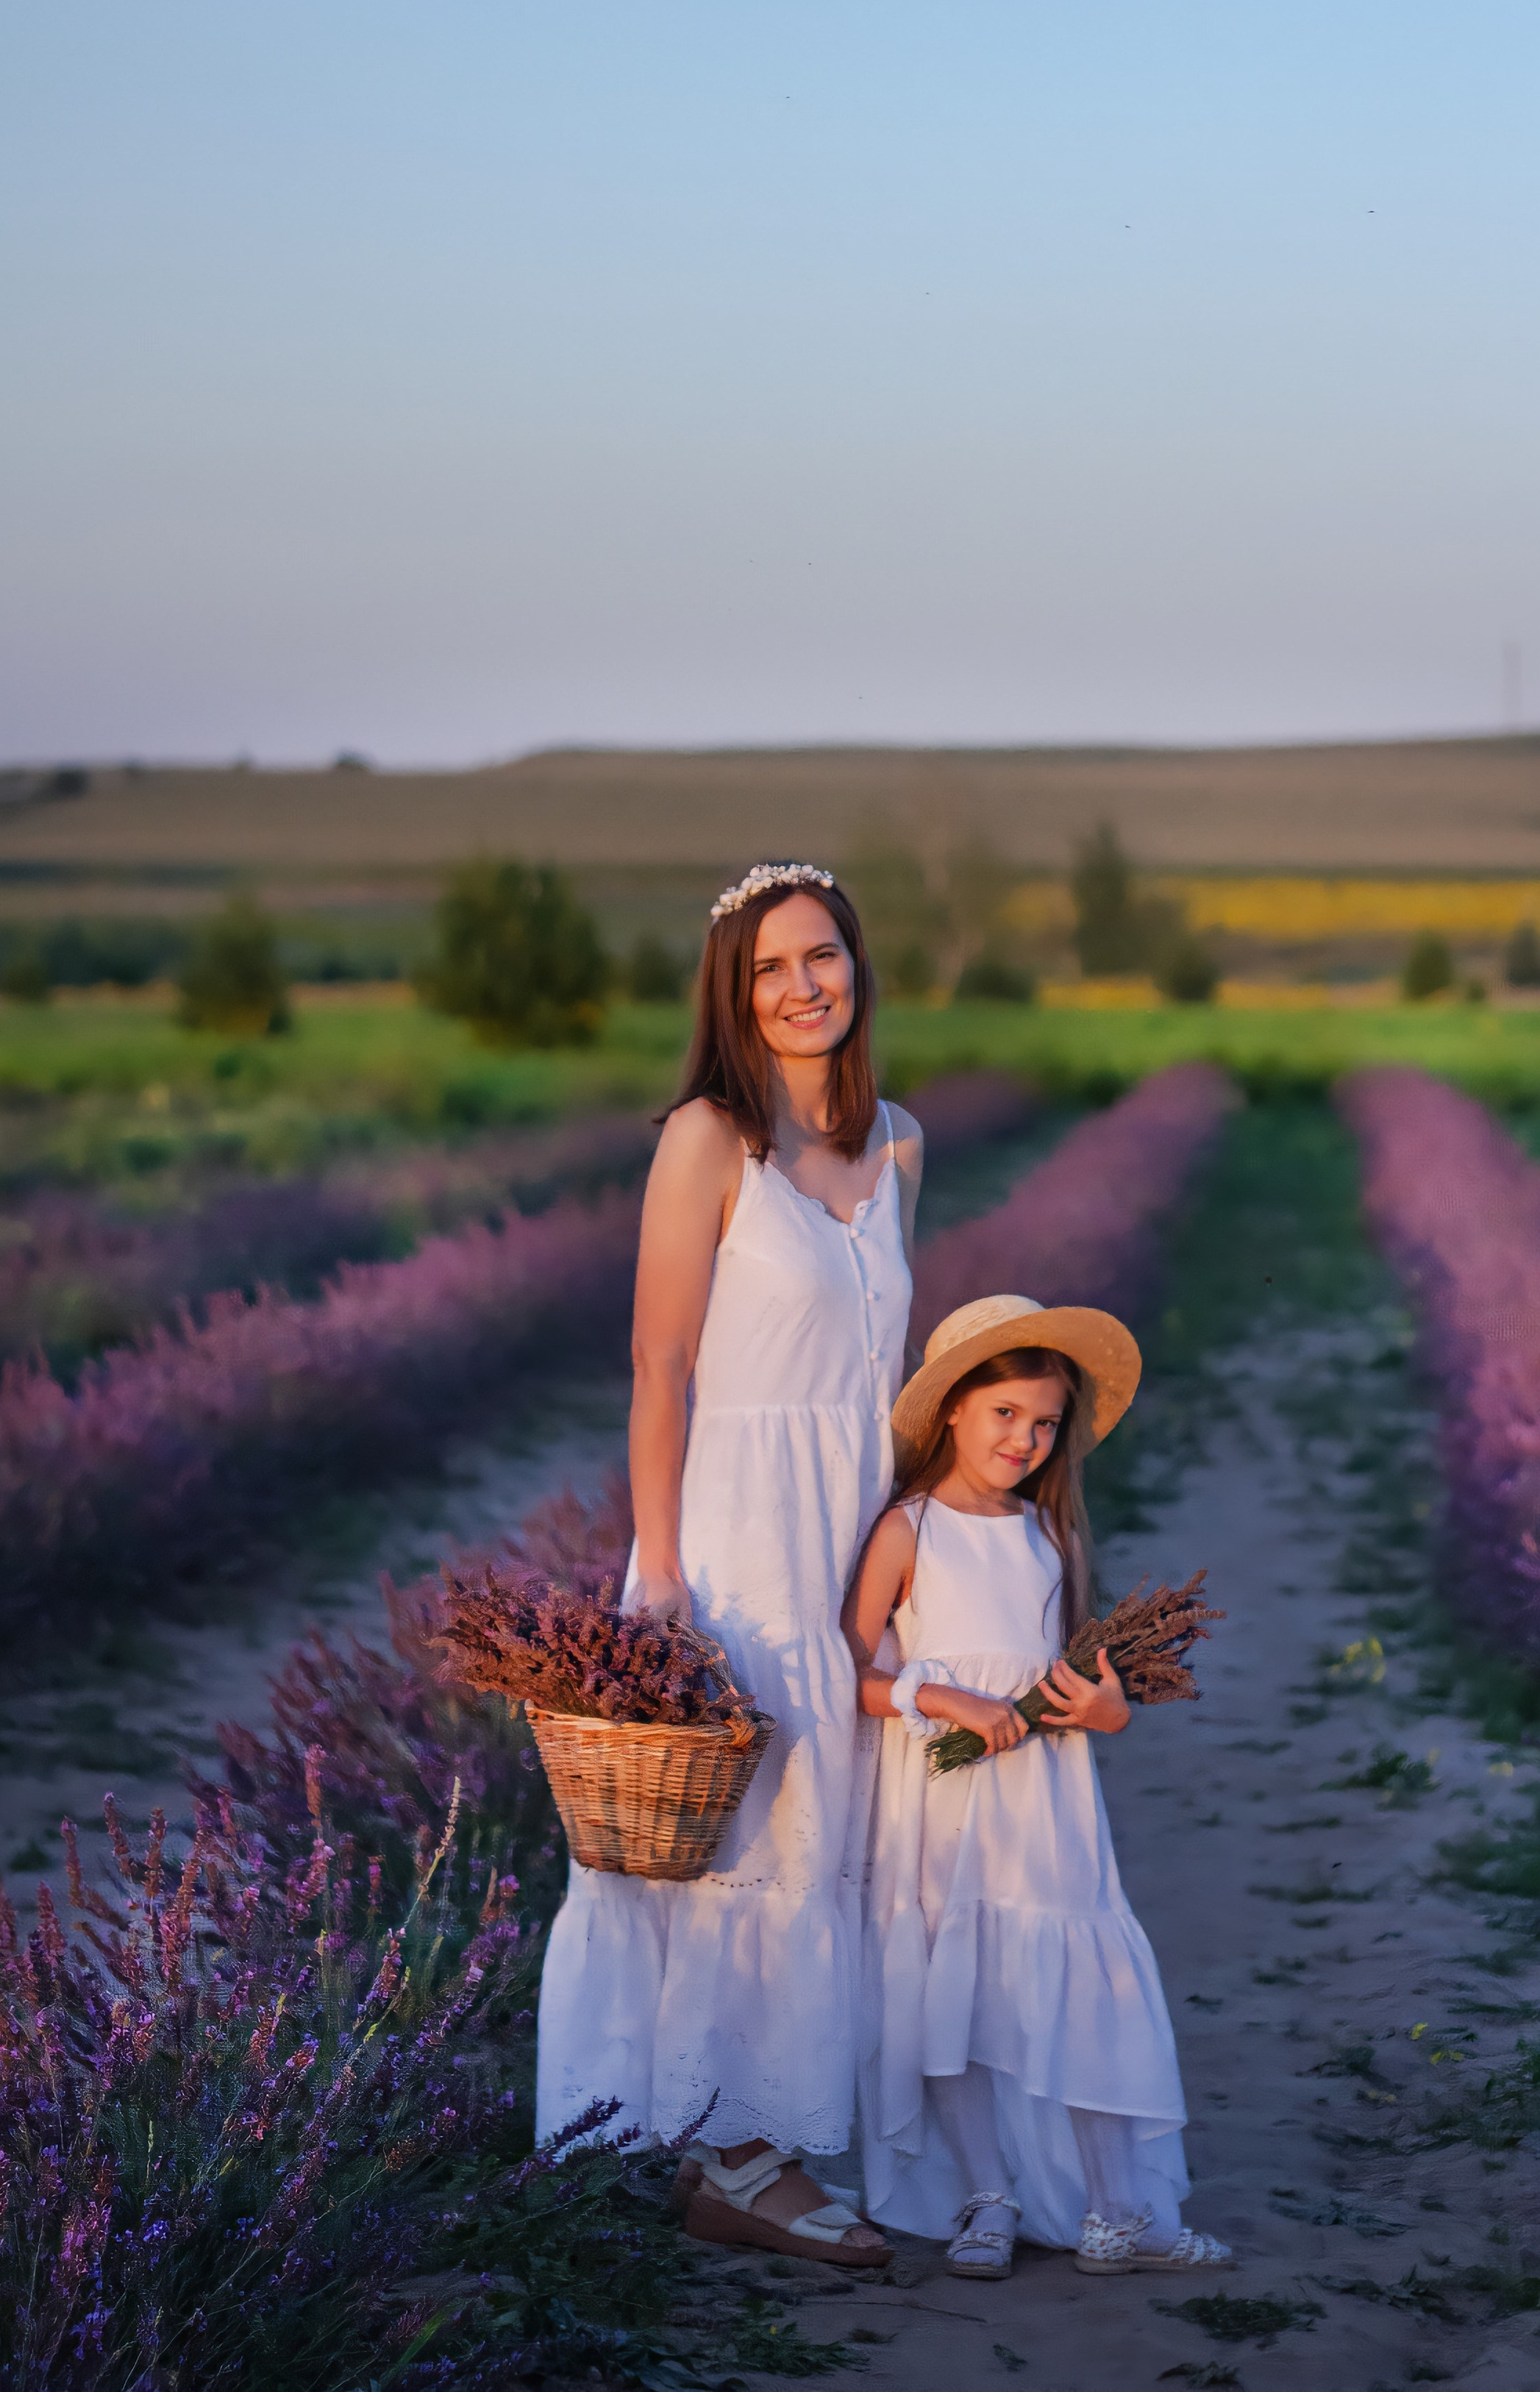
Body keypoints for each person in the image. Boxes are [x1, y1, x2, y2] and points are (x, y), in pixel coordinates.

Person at [535, 861, 919, 2271]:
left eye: (823, 957)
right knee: (738, 1833)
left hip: (854, 1519)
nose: (802, 986)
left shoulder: (903, 1146)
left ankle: (776, 2125)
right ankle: (720, 2147)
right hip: (738, 1526)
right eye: (769, 968)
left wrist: (916, 1533)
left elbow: (886, 1373)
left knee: (832, 1827)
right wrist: (665, 1576)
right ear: (733, 992)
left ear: (857, 970)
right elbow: (661, 1364)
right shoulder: (710, 1138)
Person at [842, 1292, 1233, 2279]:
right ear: (953, 1414)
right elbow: (847, 1676)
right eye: (1004, 1413)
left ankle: (1118, 2209)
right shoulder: (908, 1527)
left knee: (1078, 1980)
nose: (1024, 1439)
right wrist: (949, 1698)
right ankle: (987, 2193)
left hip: (1045, 1796)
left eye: (1045, 1422)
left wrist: (1109, 1712)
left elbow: (1080, 1675)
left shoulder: (1047, 1536)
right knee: (954, 1986)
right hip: (939, 1790)